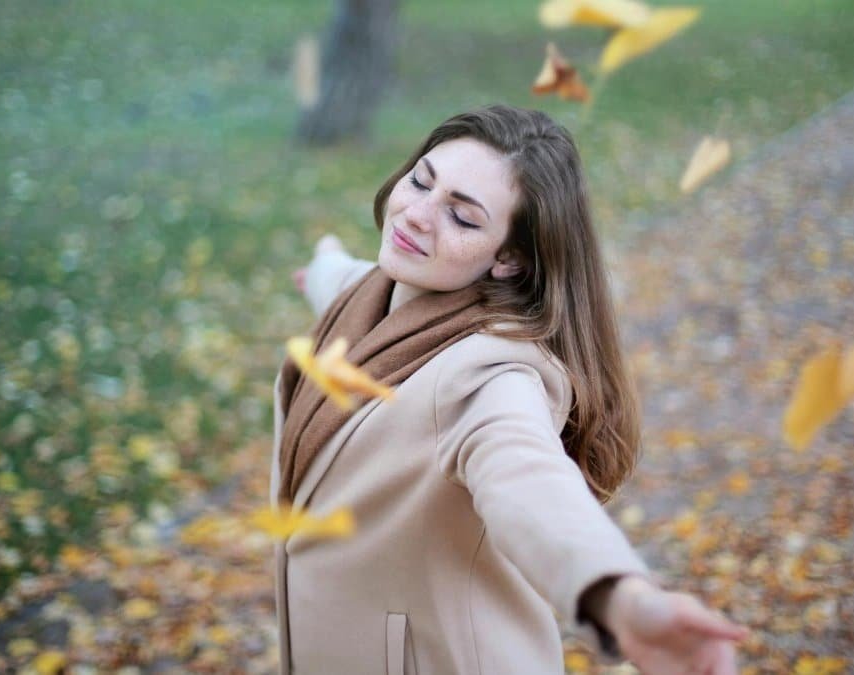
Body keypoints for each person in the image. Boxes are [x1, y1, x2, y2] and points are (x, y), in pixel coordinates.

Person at [273, 104, 746, 675]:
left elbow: (527, 478)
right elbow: (346, 286)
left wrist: (622, 598)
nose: (418, 215)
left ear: (509, 259)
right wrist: (322, 266)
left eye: (463, 217)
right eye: (421, 180)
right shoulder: (370, 294)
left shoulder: (491, 374)